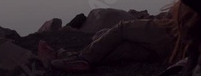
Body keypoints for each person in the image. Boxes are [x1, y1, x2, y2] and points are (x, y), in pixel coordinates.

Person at [49, 7, 178, 73]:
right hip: (172, 49)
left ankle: (83, 58)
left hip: (170, 31)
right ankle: (70, 59)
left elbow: (178, 15)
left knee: (122, 28)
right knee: (125, 49)